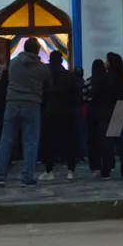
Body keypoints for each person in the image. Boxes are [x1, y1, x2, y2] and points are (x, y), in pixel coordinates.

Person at [0, 38, 51, 187]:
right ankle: (27, 177)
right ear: (37, 50)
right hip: (32, 105)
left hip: (12, 104)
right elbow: (49, 85)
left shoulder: (14, 63)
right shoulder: (42, 68)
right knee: (30, 143)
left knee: (6, 141)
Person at [40, 51, 80, 180]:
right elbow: (76, 95)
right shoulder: (70, 76)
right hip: (67, 112)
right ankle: (71, 170)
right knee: (69, 141)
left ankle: (49, 170)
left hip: (49, 112)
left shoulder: (45, 77)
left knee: (48, 143)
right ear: (62, 61)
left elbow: (41, 95)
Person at [100, 51, 123, 179]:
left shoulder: (107, 78)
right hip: (121, 109)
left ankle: (106, 170)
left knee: (107, 143)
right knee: (122, 141)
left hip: (108, 110)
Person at [84, 60, 104, 176]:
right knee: (105, 140)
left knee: (92, 140)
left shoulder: (89, 81)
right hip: (106, 113)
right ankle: (108, 164)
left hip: (92, 113)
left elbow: (84, 97)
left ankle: (95, 166)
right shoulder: (108, 81)